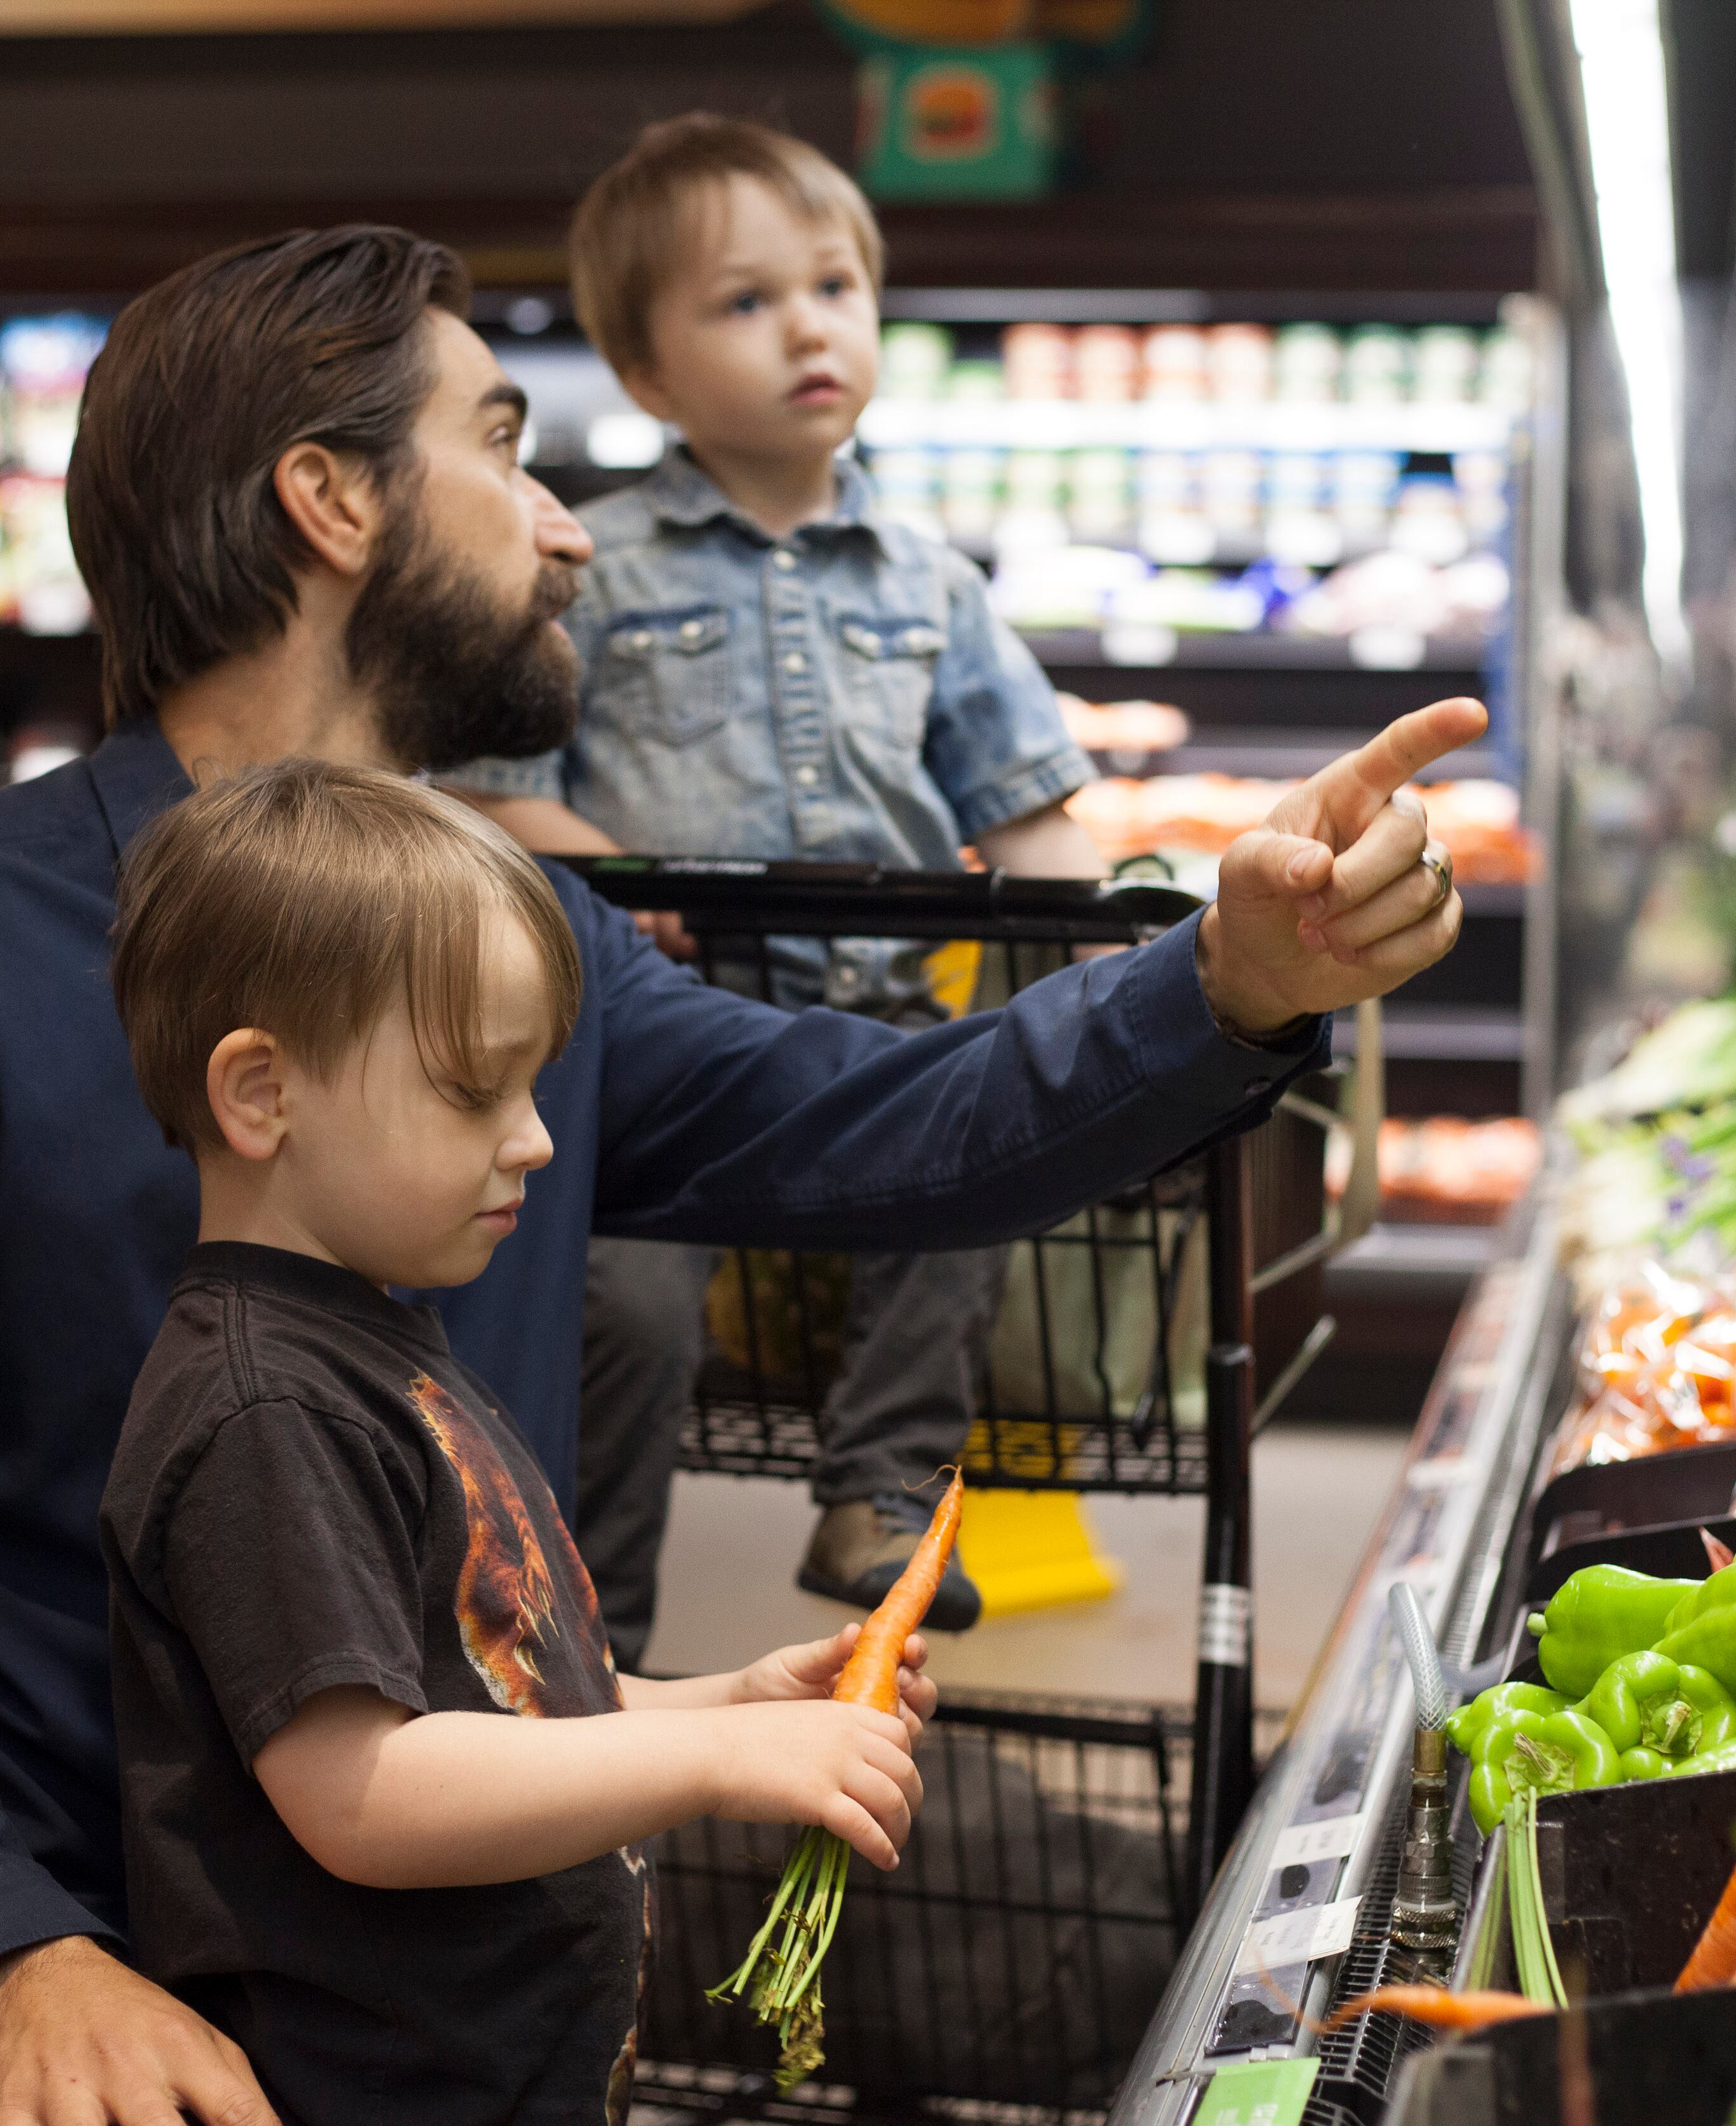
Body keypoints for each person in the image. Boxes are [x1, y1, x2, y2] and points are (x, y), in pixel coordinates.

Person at [0, 220, 1476, 2126]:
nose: (574, 528)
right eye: (512, 450)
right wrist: (14, 1960)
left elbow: (891, 1126)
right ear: (329, 499)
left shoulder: (526, 946)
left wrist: (1227, 982)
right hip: (17, 2004)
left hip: (428, 1992)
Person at [101, 758, 933, 2123]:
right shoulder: (266, 1408)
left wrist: (732, 1704)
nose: (537, 1141)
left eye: (535, 1086)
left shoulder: (378, 1344)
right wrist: (711, 1767)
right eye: (470, 1089)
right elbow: (363, 1787)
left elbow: (503, 1703)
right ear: (260, 1093)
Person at [441, 115, 1103, 1657]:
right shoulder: (588, 567)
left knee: (971, 1173)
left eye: (835, 287)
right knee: (627, 1305)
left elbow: (1035, 811)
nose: (808, 325)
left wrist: (1117, 950)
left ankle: (876, 1489)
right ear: (652, 375)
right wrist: (611, 874)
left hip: (876, 1019)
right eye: (745, 302)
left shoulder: (933, 583)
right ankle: (587, 1619)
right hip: (654, 1039)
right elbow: (490, 791)